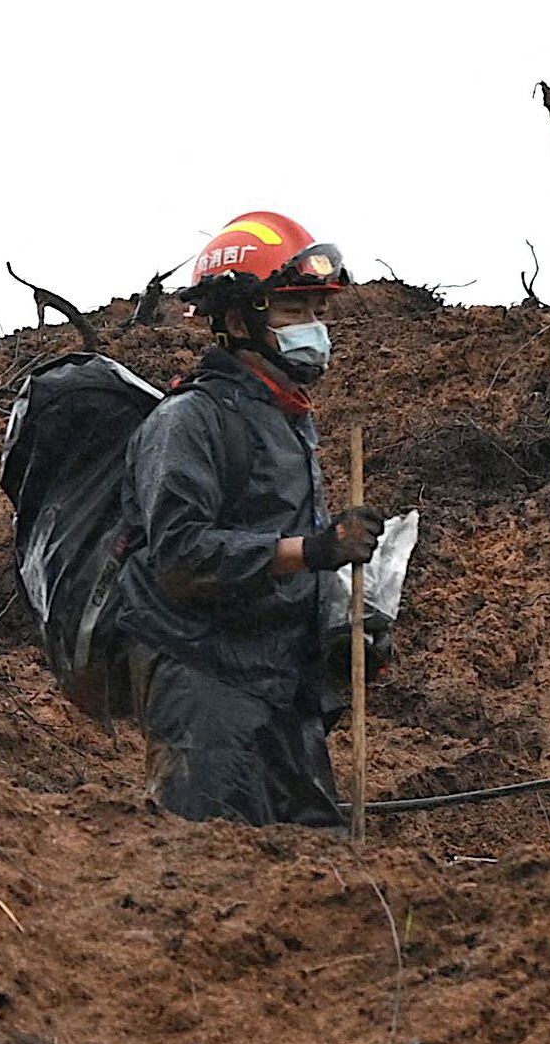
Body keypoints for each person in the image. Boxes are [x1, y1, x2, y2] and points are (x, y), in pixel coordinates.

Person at [106, 212, 388, 826]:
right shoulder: (189, 421)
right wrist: (309, 551)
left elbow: (289, 553)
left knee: (314, 869)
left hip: (280, 682)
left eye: (317, 311)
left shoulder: (286, 418)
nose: (313, 329)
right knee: (210, 873)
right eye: (293, 312)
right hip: (204, 684)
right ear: (238, 321)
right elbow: (181, 557)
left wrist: (344, 625)